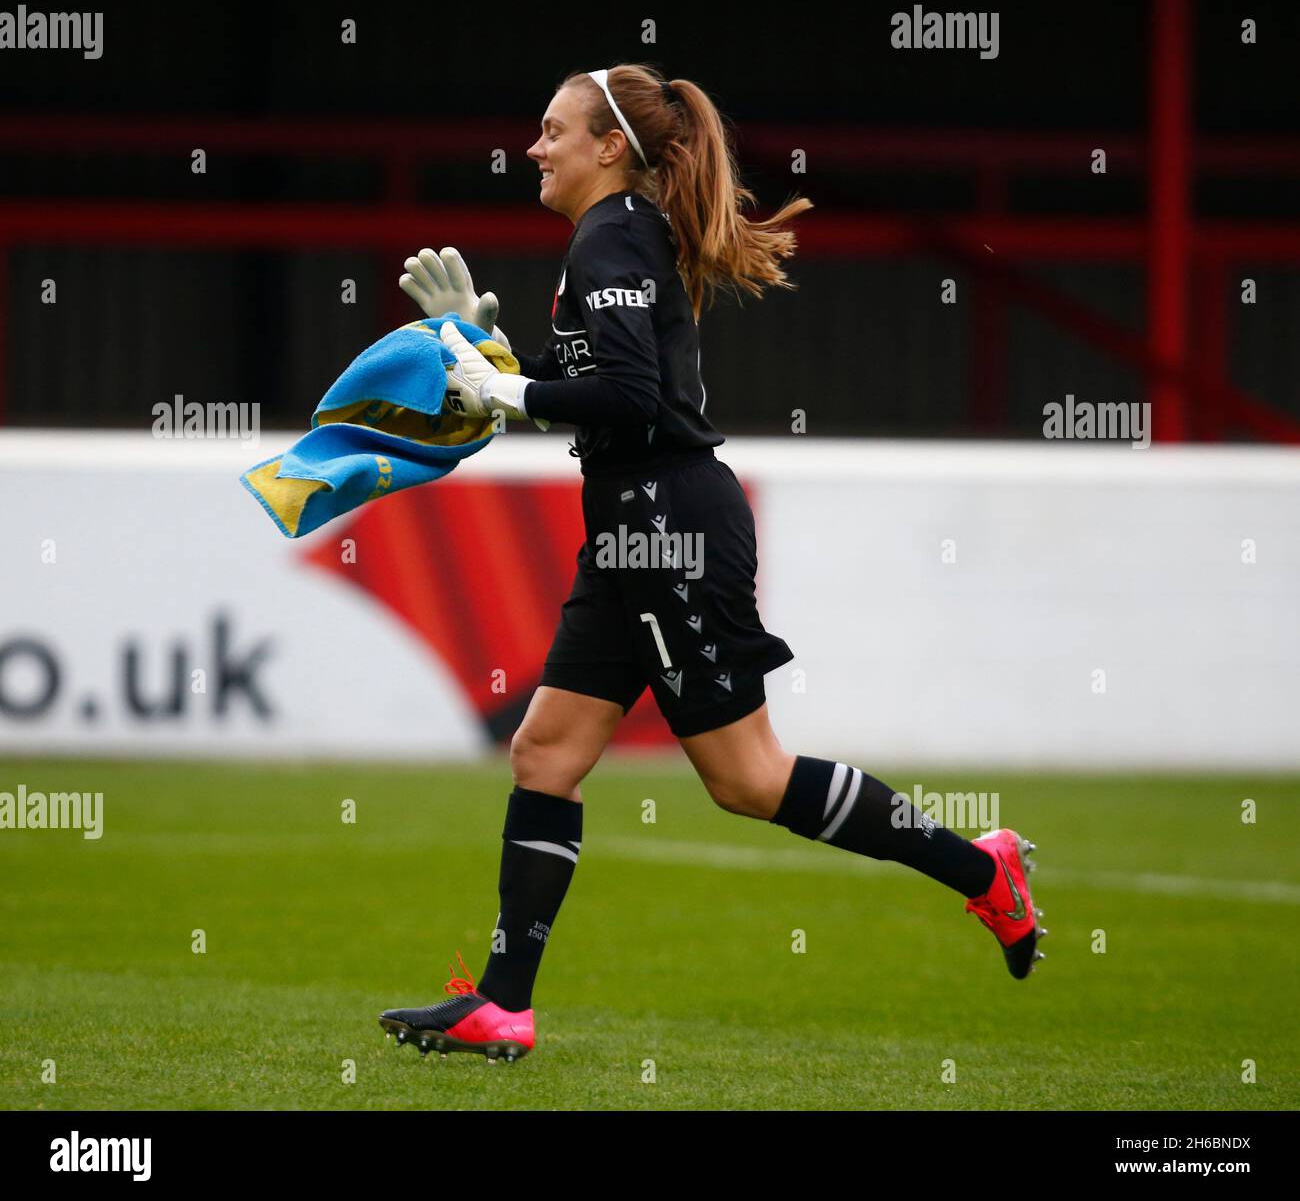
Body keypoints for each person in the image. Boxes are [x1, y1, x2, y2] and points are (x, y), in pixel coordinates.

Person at [379, 65, 1045, 1065]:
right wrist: (492, 355)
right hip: (632, 531)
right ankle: (503, 1006)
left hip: (669, 531)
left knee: (746, 779)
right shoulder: (616, 236)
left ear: (610, 146)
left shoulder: (611, 234)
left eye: (553, 130)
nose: (535, 147)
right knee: (544, 755)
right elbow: (600, 381)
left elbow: (633, 394)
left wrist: (500, 390)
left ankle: (981, 870)